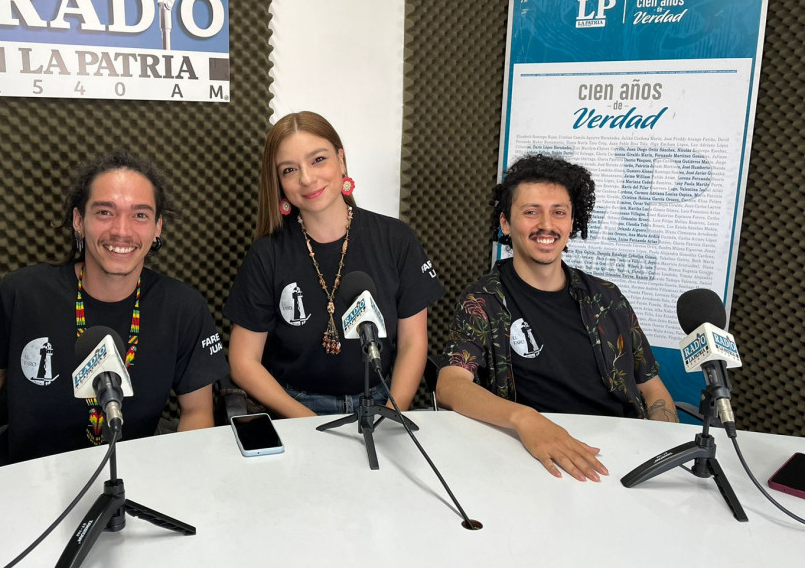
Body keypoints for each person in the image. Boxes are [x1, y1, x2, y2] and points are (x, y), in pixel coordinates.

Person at [0, 150, 226, 486]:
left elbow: (197, 411)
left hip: (129, 478)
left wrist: (179, 482)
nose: (121, 230)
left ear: (157, 228)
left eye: (140, 215)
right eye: (104, 212)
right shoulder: (23, 293)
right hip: (26, 476)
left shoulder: (184, 307)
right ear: (78, 221)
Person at [436, 153, 677, 482]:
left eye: (559, 212)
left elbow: (651, 387)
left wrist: (661, 446)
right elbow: (450, 385)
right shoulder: (484, 301)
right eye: (531, 212)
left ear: (572, 222)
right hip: (535, 460)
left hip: (618, 457)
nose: (546, 225)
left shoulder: (607, 297)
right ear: (505, 223)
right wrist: (525, 419)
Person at [224, 111, 444, 416]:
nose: (306, 178)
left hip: (380, 402)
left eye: (318, 160)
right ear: (279, 182)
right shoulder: (267, 254)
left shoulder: (397, 239)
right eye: (290, 169)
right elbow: (243, 362)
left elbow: (412, 343)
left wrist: (393, 412)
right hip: (296, 407)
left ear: (341, 160)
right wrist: (307, 423)